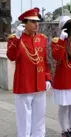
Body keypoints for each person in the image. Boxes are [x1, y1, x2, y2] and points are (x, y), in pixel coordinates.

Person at [6, 8, 52, 137]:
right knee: (24, 119)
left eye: (37, 21)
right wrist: (17, 38)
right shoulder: (15, 39)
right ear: (24, 23)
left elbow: (44, 60)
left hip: (39, 84)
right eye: (32, 22)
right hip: (24, 84)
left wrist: (47, 78)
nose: (36, 24)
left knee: (39, 117)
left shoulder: (42, 39)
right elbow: (11, 56)